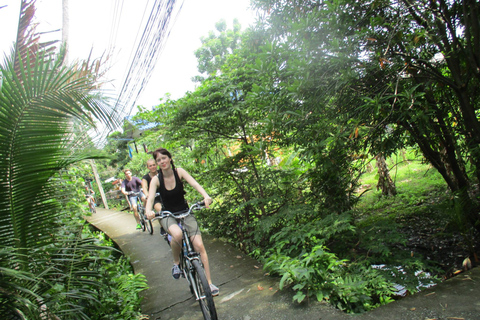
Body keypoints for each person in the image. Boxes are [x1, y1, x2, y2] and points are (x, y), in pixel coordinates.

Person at [145, 148, 219, 296]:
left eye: (164, 158)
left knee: (199, 245)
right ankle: (176, 263)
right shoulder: (156, 179)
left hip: (185, 212)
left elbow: (195, 184)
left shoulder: (179, 172)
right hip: (167, 215)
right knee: (177, 234)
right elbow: (151, 198)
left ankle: (209, 284)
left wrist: (206, 196)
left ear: (170, 159)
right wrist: (148, 211)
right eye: (158, 160)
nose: (162, 162)